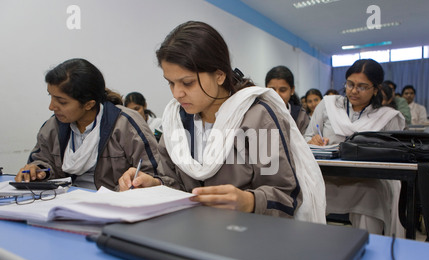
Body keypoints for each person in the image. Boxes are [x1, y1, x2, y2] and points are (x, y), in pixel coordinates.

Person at [119, 21, 326, 223]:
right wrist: (154, 184)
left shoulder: (257, 118)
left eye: (187, 82)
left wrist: (249, 201)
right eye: (170, 83)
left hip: (247, 233)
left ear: (219, 75)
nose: (177, 93)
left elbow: (284, 196)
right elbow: (174, 183)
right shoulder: (177, 120)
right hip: (192, 230)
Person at [15, 58, 160, 191]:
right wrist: (38, 170)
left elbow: (155, 175)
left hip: (112, 206)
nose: (51, 106)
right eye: (51, 97)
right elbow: (42, 159)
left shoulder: (125, 125)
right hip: (65, 203)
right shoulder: (53, 126)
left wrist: (129, 188)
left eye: (62, 101)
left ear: (89, 104)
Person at [304, 59, 406, 236]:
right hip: (327, 176)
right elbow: (306, 138)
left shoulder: (386, 116)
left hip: (368, 180)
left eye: (362, 86)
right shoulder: (328, 104)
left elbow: (394, 153)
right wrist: (312, 141)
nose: (353, 91)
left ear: (375, 89)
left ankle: (368, 252)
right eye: (350, 84)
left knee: (371, 193)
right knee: (307, 192)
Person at [265, 66, 310, 134]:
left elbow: (306, 140)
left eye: (282, 90)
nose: (277, 95)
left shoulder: (301, 117)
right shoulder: (259, 113)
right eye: (272, 90)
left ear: (292, 90)